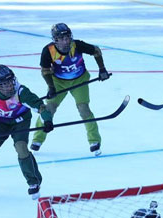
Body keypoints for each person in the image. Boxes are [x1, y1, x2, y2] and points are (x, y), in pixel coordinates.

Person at [0, 65, 53, 199]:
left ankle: (33, 182)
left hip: (20, 122)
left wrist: (47, 120)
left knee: (21, 148)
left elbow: (40, 106)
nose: (9, 87)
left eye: (10, 82)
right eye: (4, 84)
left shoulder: (21, 92)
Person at [31, 23, 110, 156]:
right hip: (58, 82)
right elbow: (45, 71)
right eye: (62, 39)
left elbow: (96, 51)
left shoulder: (77, 45)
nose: (66, 41)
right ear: (55, 39)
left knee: (83, 109)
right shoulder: (48, 51)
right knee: (49, 109)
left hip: (80, 80)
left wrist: (102, 69)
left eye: (68, 37)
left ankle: (94, 141)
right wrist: (51, 87)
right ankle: (37, 139)